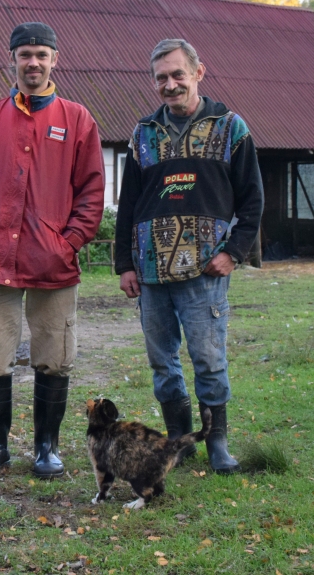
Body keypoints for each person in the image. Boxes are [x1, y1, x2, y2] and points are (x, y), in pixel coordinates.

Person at [0, 22, 105, 481]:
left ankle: (46, 448)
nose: (33, 62)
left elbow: (92, 190)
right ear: (13, 59)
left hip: (53, 261)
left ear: (55, 59)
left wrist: (70, 241)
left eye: (42, 54)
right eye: (25, 54)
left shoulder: (77, 120)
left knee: (54, 352)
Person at [114, 38, 263, 475]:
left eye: (178, 74)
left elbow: (253, 201)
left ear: (199, 72)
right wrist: (125, 263)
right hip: (152, 273)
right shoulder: (144, 134)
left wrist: (234, 252)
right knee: (163, 364)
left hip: (205, 270)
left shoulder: (230, 128)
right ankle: (180, 443)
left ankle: (217, 444)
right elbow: (128, 206)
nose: (170, 84)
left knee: (209, 360)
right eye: (161, 77)